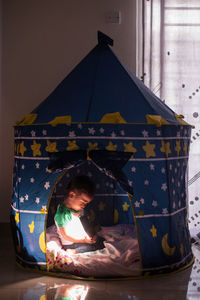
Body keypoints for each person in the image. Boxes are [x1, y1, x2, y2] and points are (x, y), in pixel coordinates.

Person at [54, 175, 104, 253]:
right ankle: (74, 251)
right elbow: (65, 236)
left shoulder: (78, 209)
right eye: (83, 202)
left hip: (82, 239)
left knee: (102, 242)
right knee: (92, 247)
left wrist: (92, 235)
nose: (84, 206)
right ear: (72, 195)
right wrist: (83, 241)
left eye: (86, 203)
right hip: (71, 243)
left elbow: (85, 225)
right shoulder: (62, 214)